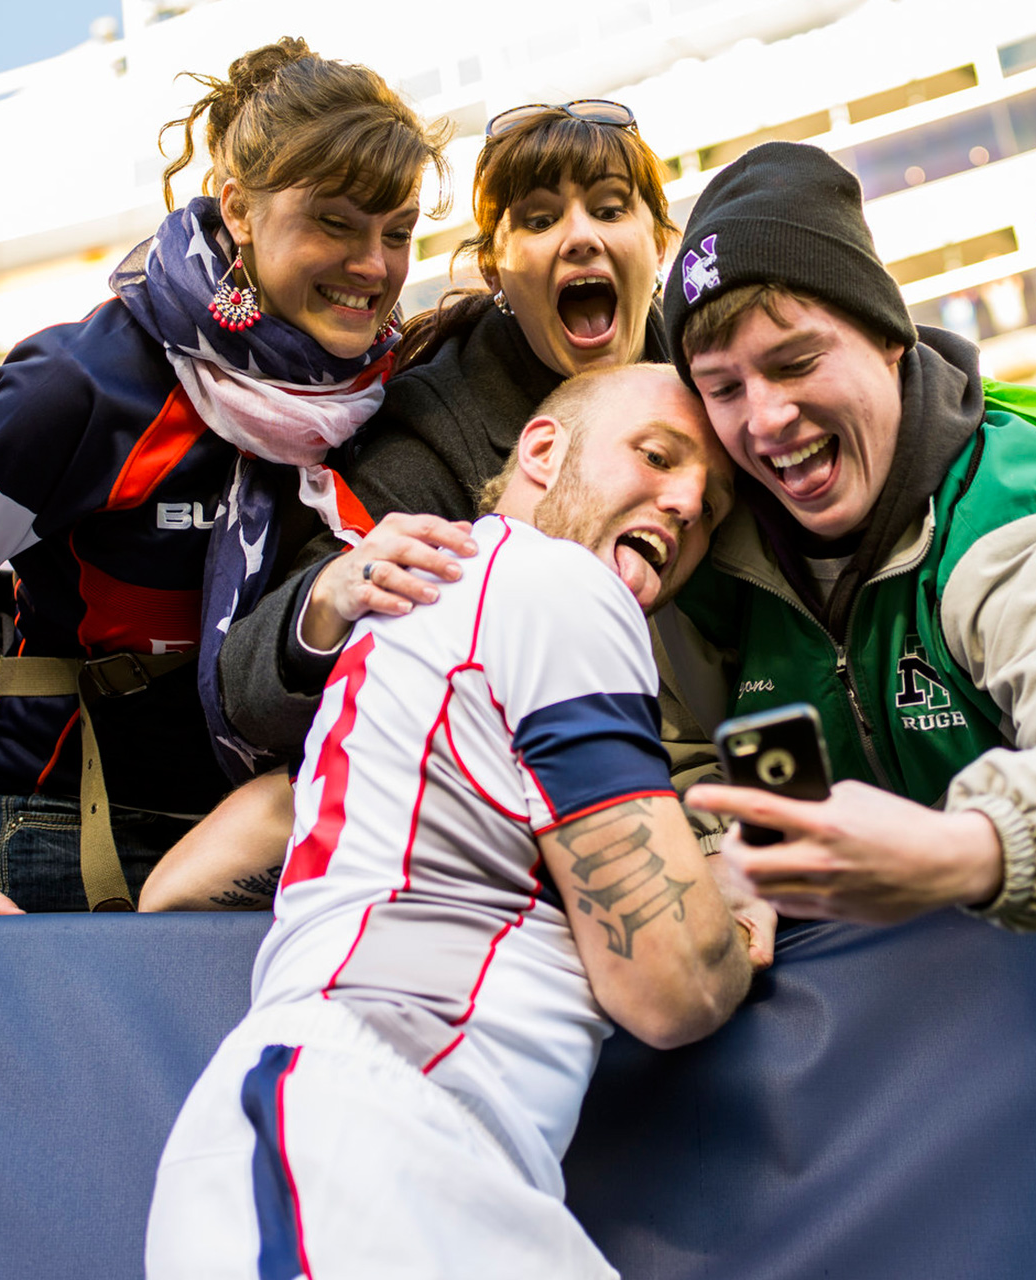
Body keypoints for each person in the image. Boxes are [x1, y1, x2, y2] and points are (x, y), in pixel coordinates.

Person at [145, 364, 766, 1278]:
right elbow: (672, 986)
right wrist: (739, 888)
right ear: (544, 452)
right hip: (371, 1152)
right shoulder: (559, 584)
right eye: (657, 456)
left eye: (710, 507)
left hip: (341, 1142)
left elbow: (178, 889)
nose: (683, 503)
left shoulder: (420, 602)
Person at [0, 39, 451, 966]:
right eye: (335, 223)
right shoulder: (83, 383)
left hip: (293, 832)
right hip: (69, 837)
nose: (374, 265)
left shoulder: (385, 385)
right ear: (239, 209)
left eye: (398, 232)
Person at [658, 141, 1036, 929]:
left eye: (797, 361)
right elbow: (679, 761)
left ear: (890, 337)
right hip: (848, 1011)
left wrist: (966, 849)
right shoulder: (700, 545)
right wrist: (721, 864)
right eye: (723, 387)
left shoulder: (1008, 509)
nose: (767, 418)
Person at [144, 99, 684, 908]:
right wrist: (328, 598)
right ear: (496, 268)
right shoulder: (433, 434)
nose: (579, 235)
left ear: (658, 241)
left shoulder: (720, 376)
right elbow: (251, 685)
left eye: (609, 209)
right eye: (538, 219)